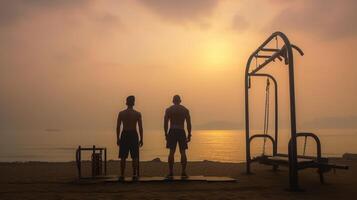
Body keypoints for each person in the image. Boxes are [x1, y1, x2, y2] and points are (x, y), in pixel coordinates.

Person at [164, 95, 192, 178]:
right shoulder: (185, 110)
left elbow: (165, 123)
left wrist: (166, 133)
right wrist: (189, 134)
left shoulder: (169, 110)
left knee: (171, 152)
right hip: (181, 130)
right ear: (180, 101)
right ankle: (183, 172)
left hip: (172, 130)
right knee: (183, 152)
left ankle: (171, 172)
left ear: (173, 101)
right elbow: (189, 123)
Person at [116, 95, 143, 180]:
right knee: (135, 156)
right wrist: (142, 138)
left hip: (125, 134)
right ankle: (134, 173)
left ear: (126, 102)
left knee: (123, 156)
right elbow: (140, 127)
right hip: (133, 134)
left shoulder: (121, 113)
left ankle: (122, 174)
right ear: (133, 103)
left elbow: (118, 127)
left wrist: (118, 138)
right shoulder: (137, 114)